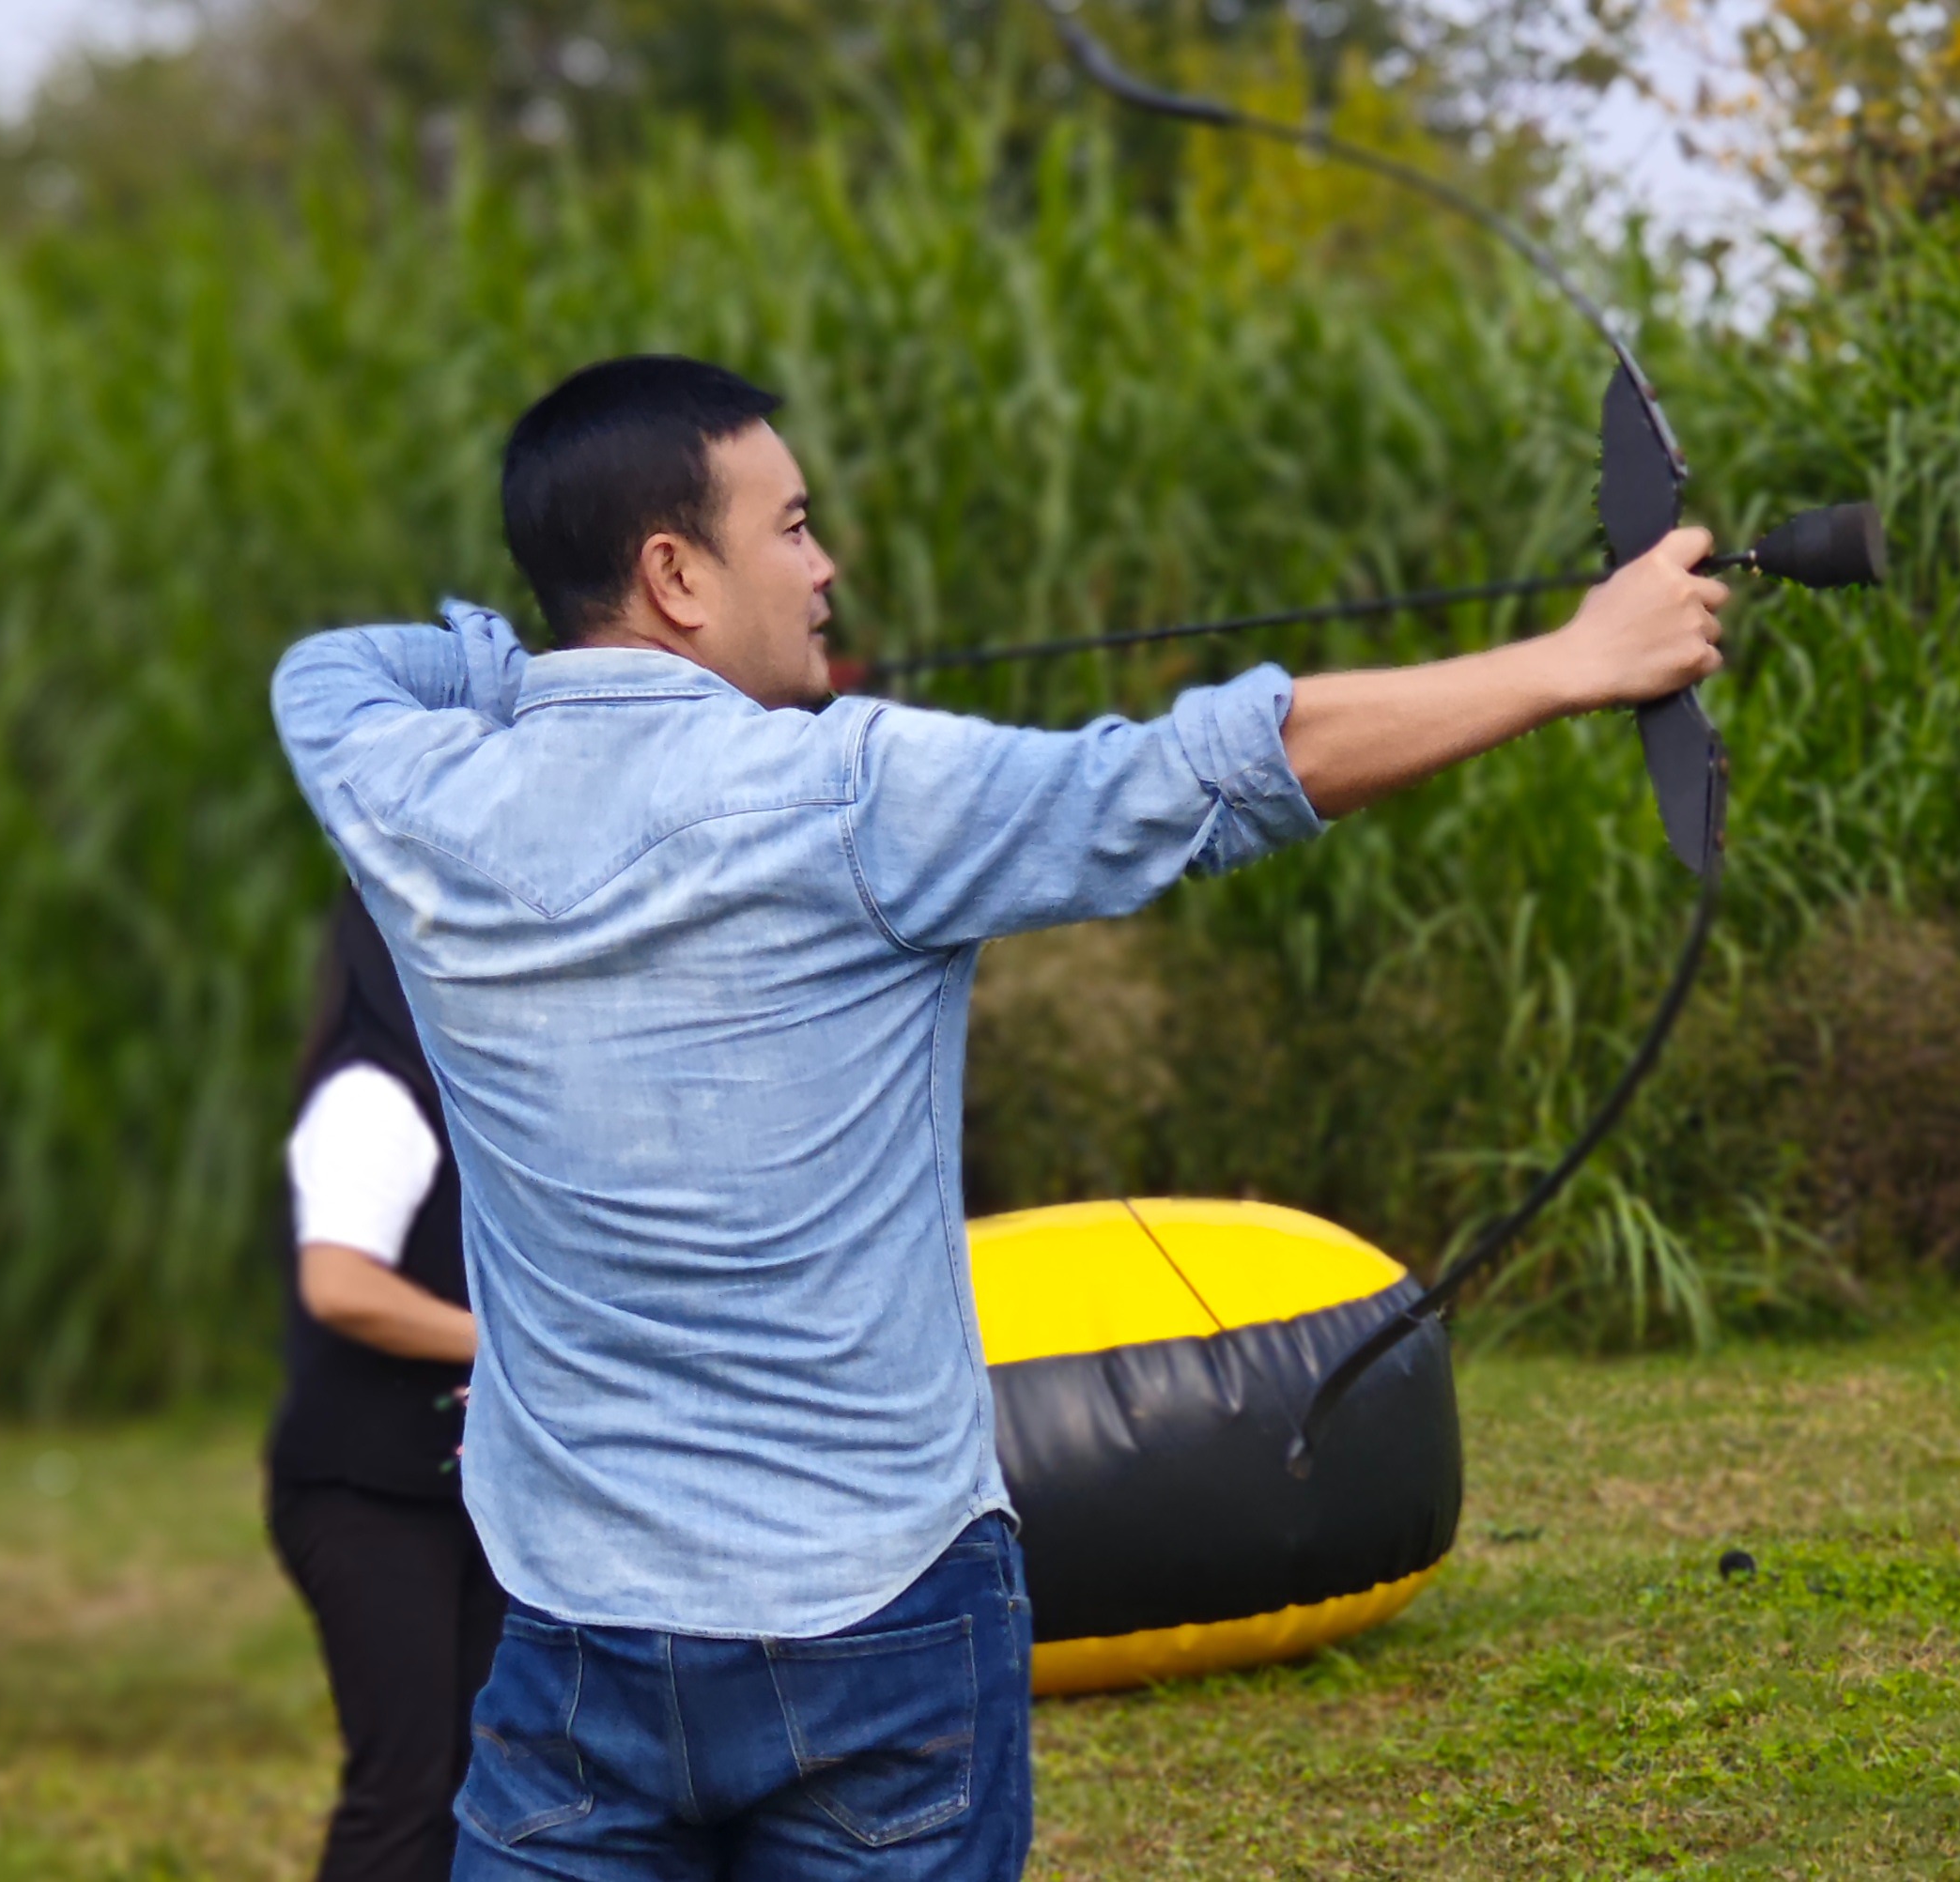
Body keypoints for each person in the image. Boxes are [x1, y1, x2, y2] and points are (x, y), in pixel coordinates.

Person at [269, 354, 1726, 1882]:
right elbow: (1224, 771)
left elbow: (329, 668)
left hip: (575, 1628)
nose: (825, 567)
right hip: (876, 1631)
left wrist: (531, 679)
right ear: (674, 574)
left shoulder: (411, 791)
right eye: (791, 527)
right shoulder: (856, 790)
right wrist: (1581, 659)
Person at [267, 887, 502, 1882]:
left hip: (461, 1492)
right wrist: (507, 1345)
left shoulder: (471, 1102)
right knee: (405, 1790)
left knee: (483, 1781)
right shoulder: (374, 1097)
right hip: (364, 1497)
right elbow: (341, 1284)